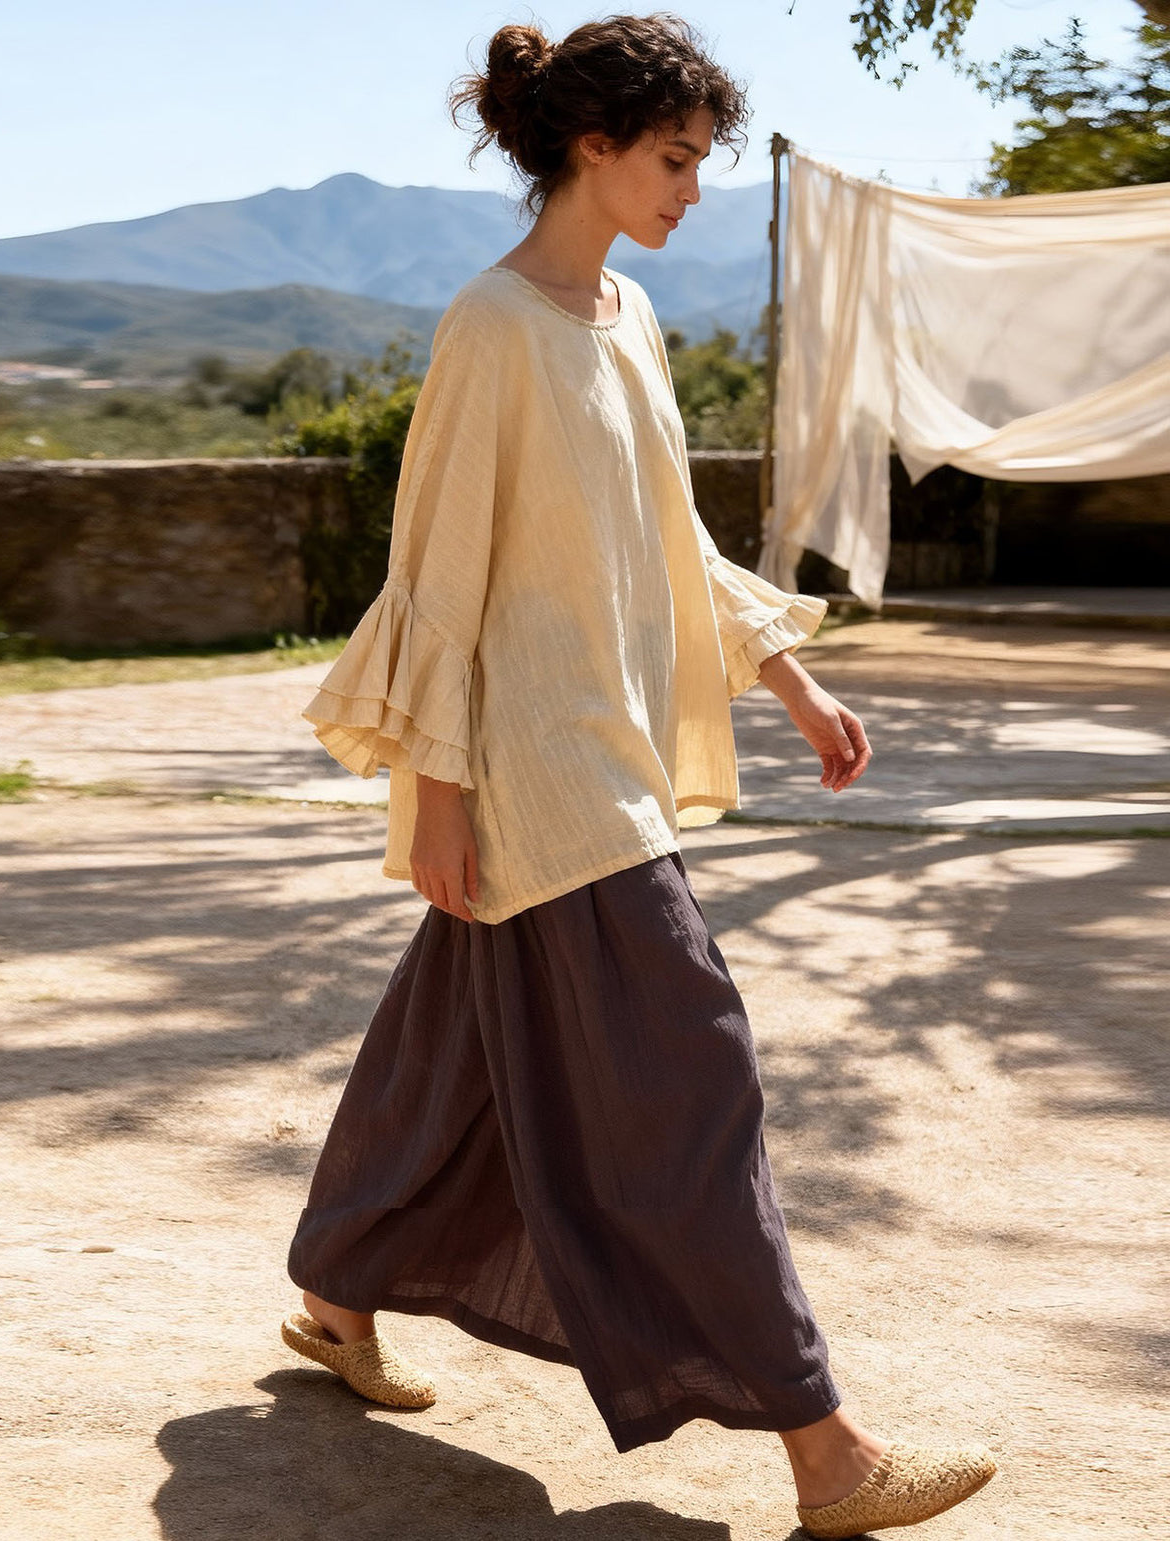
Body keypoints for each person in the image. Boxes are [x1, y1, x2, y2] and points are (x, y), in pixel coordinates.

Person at [281, 14, 998, 1538]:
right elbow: (441, 577)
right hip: (540, 772)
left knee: (457, 1052)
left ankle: (335, 1302)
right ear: (591, 148)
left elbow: (666, 538)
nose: (692, 188)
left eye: (700, 163)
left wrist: (788, 672)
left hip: (599, 754)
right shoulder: (494, 327)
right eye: (675, 159)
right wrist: (446, 790)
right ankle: (829, 1450)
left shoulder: (626, 318)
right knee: (690, 1070)